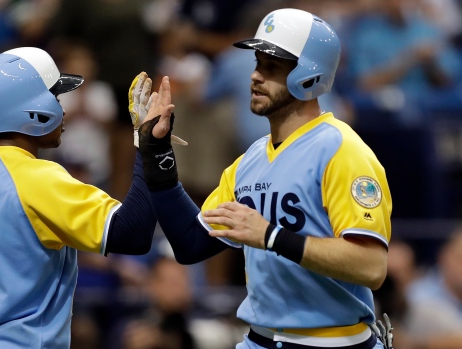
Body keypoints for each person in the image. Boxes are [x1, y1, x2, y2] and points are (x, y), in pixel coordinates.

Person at [135, 8, 393, 349]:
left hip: (335, 342)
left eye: (272, 67)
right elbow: (190, 242)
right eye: (258, 64)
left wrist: (272, 236)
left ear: (309, 75)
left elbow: (372, 267)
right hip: (260, 341)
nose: (256, 76)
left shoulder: (341, 150)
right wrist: (156, 154)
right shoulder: (249, 161)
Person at [0, 47, 160, 349]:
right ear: (27, 107)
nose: (62, 107)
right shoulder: (37, 178)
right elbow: (133, 234)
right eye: (54, 96)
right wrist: (151, 146)